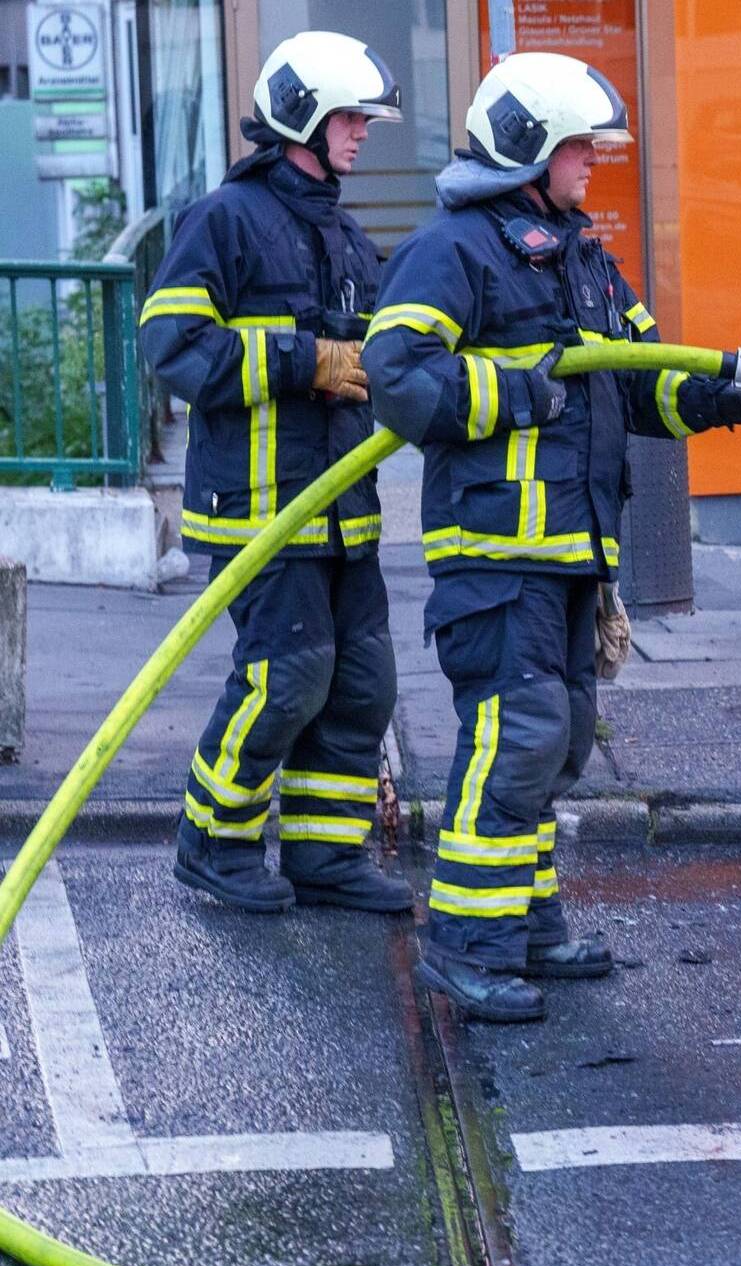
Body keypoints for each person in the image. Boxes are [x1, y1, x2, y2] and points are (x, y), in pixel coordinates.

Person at [364, 52, 741, 1022]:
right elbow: (396, 376)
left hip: (570, 555)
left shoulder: (582, 258)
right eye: (577, 146)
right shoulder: (453, 252)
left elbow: (647, 381)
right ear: (527, 148)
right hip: (496, 558)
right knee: (515, 740)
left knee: (556, 743)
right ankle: (464, 944)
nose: (593, 161)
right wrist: (522, 390)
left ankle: (525, 925)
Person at [140, 32, 409, 916]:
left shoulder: (346, 235)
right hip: (259, 507)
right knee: (287, 677)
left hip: (342, 509)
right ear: (305, 118)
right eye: (350, 118)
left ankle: (325, 854)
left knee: (361, 682)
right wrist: (304, 359)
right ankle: (212, 840)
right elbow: (173, 344)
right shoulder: (225, 221)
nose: (363, 133)